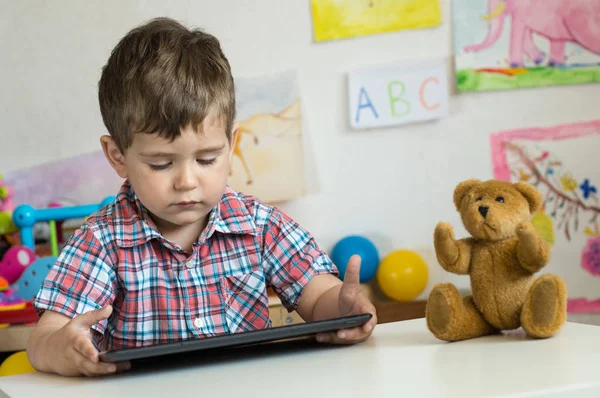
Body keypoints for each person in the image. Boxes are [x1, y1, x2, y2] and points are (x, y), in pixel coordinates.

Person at [25, 17, 377, 377]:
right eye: (161, 164)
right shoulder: (101, 241)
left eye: (207, 159)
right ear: (118, 157)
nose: (187, 181)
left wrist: (344, 309)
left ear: (231, 146)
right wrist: (62, 348)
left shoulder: (260, 225)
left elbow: (318, 298)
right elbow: (43, 339)